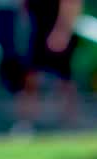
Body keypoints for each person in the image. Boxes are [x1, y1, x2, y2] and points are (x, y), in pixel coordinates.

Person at [13, 0, 83, 133]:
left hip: (58, 31)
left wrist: (62, 31)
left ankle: (71, 123)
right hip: (36, 31)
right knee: (29, 78)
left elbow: (73, 4)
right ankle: (25, 123)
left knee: (65, 79)